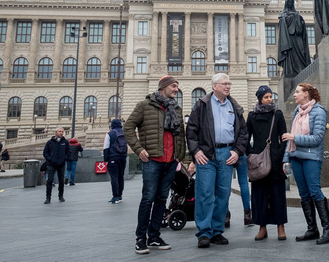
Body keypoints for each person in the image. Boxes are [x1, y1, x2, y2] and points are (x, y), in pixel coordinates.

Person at [124, 76, 186, 255]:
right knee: (148, 199)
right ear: (164, 87)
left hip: (170, 161)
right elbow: (128, 127)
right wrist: (138, 149)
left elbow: (180, 133)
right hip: (152, 160)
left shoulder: (176, 108)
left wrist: (179, 156)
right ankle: (140, 238)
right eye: (174, 86)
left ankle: (154, 236)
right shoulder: (145, 105)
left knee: (161, 200)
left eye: (176, 87)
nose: (176, 90)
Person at [187, 73, 248, 249]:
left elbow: (243, 133)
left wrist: (237, 151)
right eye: (224, 84)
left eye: (229, 83)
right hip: (206, 155)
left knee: (223, 194)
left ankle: (217, 231)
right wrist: (196, 151)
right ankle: (204, 232)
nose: (228, 86)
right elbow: (191, 130)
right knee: (205, 194)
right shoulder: (202, 105)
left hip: (227, 155)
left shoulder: (234, 106)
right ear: (214, 86)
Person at [283, 83, 329, 244]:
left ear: (306, 94)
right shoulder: (298, 111)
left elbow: (317, 138)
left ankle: (327, 231)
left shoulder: (318, 111)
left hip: (311, 157)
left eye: (297, 92)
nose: (295, 95)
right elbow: (290, 138)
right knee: (303, 194)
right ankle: (312, 229)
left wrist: (294, 138)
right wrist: (286, 159)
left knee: (315, 192)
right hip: (296, 156)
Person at [246, 85, 288, 241]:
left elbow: (284, 135)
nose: (270, 99)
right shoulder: (252, 116)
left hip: (275, 160)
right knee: (259, 195)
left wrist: (279, 153)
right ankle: (262, 227)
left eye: (271, 97)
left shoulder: (277, 114)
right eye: (266, 97)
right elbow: (245, 136)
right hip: (258, 161)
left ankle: (280, 226)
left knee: (277, 194)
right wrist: (250, 152)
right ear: (260, 99)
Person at [277, 0, 311, 78]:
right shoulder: (282, 14)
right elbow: (282, 26)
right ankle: (289, 70)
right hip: (288, 38)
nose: (290, 3)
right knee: (290, 54)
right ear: (286, 3)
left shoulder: (297, 14)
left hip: (297, 36)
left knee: (301, 52)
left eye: (291, 2)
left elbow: (301, 27)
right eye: (288, 2)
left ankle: (301, 69)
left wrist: (298, 19)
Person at [43, 127, 70, 204]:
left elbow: (68, 152)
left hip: (61, 164)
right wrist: (50, 159)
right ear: (56, 132)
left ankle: (61, 196)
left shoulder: (65, 142)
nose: (61, 133)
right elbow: (45, 152)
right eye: (59, 131)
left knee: (61, 181)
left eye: (62, 131)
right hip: (51, 164)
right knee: (50, 181)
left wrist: (64, 158)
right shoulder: (50, 142)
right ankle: (48, 198)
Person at [104, 118, 128, 204]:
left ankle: (115, 196)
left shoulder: (110, 134)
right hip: (123, 157)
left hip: (113, 157)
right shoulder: (125, 133)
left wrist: (106, 160)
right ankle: (120, 195)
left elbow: (106, 147)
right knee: (121, 176)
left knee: (114, 176)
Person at [233, 152, 252, 226]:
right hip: (241, 152)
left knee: (226, 184)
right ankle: (247, 214)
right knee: (244, 182)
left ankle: (225, 215)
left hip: (228, 152)